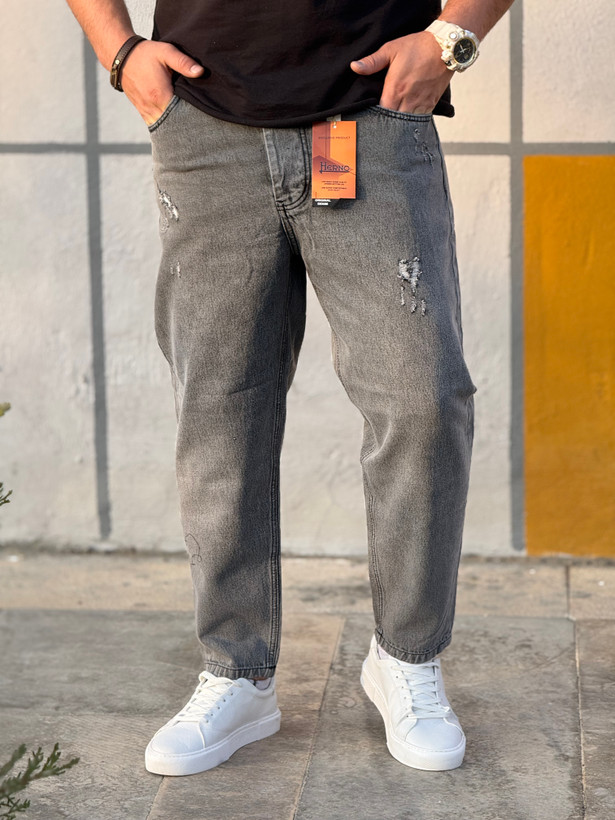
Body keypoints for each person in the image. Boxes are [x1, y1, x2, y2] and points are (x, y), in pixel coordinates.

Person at [66, 0, 514, 776]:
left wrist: (451, 38)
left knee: (422, 398)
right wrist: (121, 53)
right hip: (204, 127)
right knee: (218, 411)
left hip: (369, 121)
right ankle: (236, 672)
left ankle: (405, 657)